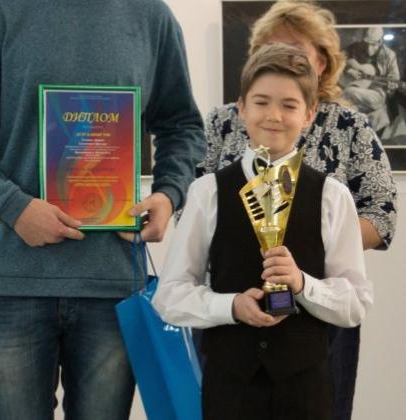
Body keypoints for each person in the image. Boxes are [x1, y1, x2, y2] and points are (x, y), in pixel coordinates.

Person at [0, 1, 206, 419]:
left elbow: (182, 127)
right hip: (14, 279)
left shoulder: (152, 17)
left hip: (111, 284)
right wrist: (15, 208)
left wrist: (168, 195)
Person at [197, 2, 397, 419]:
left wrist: (310, 245)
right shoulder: (221, 121)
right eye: (269, 48)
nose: (282, 58)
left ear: (322, 62)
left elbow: (382, 215)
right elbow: (193, 206)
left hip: (318, 309)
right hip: (230, 307)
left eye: (296, 50)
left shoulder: (351, 126)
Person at [154, 43, 373, 420]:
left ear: (309, 114)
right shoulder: (207, 192)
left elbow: (355, 303)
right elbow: (169, 296)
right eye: (261, 102)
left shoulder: (332, 196)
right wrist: (230, 306)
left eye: (289, 105)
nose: (274, 115)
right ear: (241, 107)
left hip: (307, 390)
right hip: (229, 387)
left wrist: (303, 284)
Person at [342, 26, 401, 133]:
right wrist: (349, 70)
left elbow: (394, 79)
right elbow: (337, 61)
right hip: (356, 86)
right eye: (367, 43)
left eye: (373, 45)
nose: (369, 49)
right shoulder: (354, 48)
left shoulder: (389, 55)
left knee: (348, 92)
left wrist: (391, 88)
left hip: (376, 93)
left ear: (380, 42)